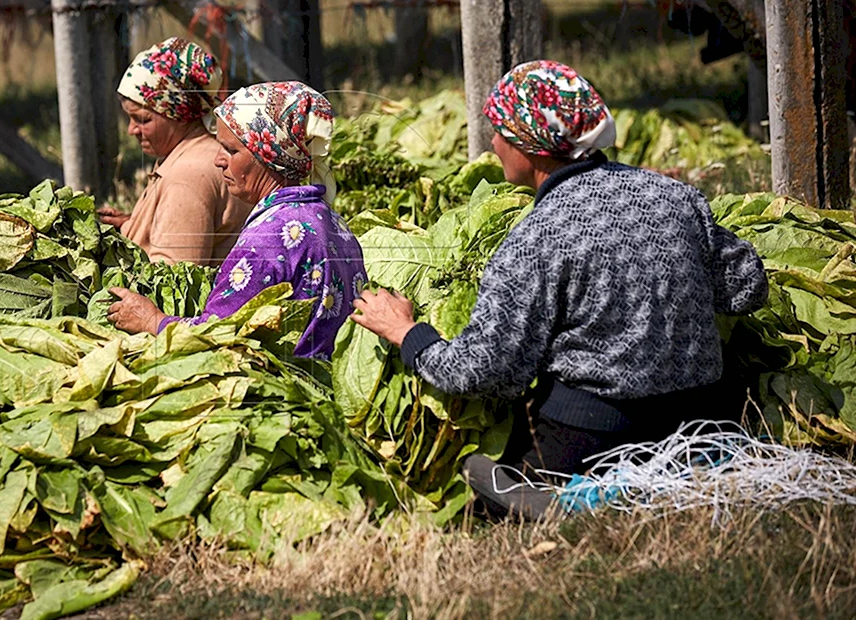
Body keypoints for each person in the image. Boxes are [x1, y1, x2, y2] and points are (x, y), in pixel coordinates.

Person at [350, 60, 769, 517]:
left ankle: (559, 498)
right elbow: (748, 286)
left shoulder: (538, 237)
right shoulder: (674, 196)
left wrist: (407, 332)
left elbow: (483, 373)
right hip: (703, 425)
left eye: (500, 132)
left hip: (596, 436)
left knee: (482, 499)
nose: (492, 143)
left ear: (532, 149)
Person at [104, 82, 367, 360]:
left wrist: (152, 321)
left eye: (231, 150)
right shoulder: (330, 219)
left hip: (288, 385)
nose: (218, 161)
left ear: (268, 157)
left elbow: (218, 335)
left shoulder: (268, 239)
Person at [97, 37, 251, 267]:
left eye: (142, 119)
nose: (131, 130)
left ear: (178, 113)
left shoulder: (186, 179)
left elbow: (172, 281)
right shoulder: (204, 151)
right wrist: (136, 225)